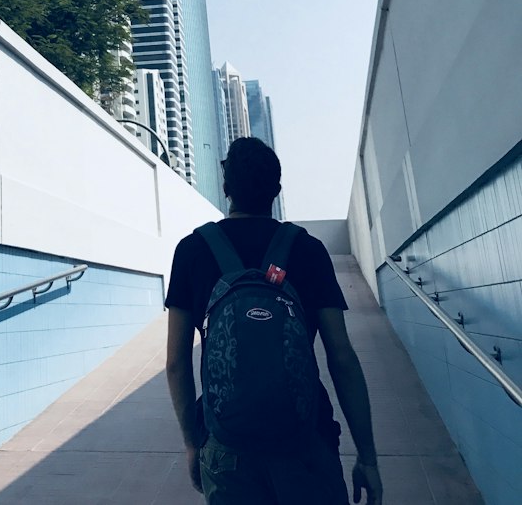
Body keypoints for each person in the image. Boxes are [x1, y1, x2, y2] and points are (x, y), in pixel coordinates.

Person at [165, 137, 384, 504]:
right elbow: (342, 358)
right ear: (276, 190)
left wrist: (192, 444)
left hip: (227, 451)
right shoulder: (308, 250)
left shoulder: (192, 250)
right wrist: (368, 457)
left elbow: (175, 363)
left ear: (226, 188)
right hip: (306, 442)